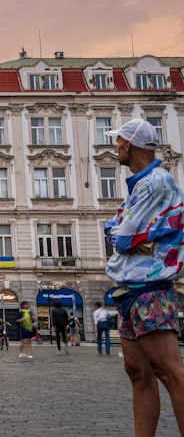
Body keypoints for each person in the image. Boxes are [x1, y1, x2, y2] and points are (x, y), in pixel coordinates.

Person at [104, 118, 184, 436]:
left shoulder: (155, 182)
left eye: (118, 140)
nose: (115, 146)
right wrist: (132, 233)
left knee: (171, 373)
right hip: (130, 287)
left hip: (151, 287)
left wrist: (130, 234)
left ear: (129, 144)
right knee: (138, 373)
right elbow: (119, 228)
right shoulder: (139, 185)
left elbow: (120, 235)